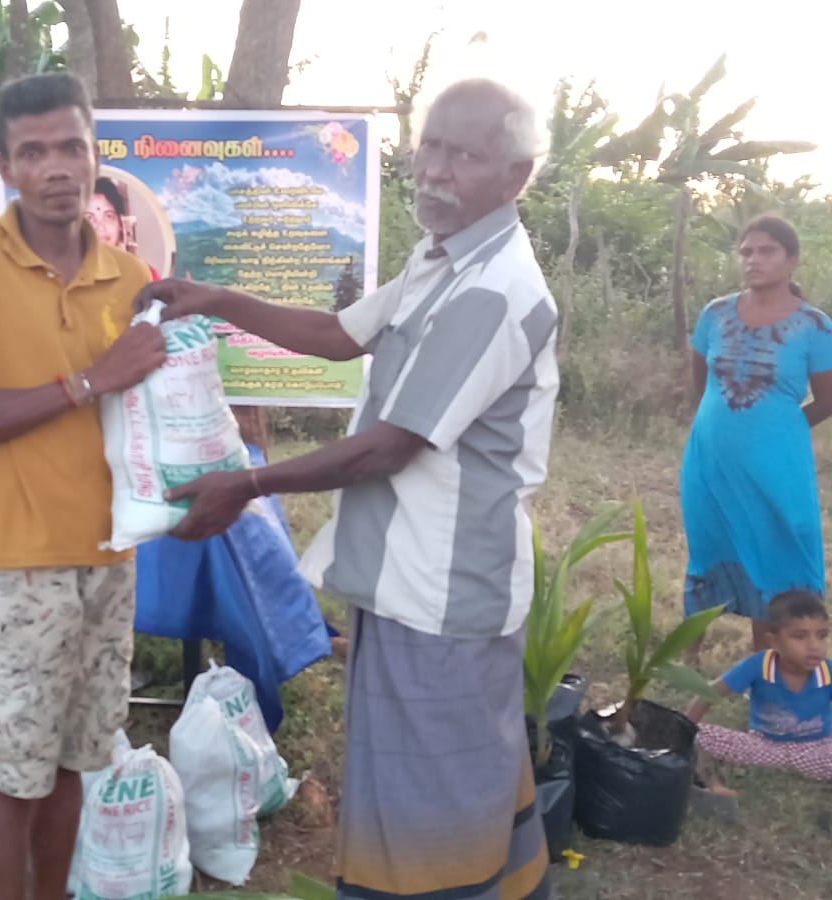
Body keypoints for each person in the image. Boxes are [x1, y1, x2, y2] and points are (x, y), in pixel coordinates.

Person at [135, 78, 556, 900]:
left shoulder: (493, 289)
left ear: (517, 175)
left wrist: (246, 484)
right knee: (444, 780)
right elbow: (338, 334)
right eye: (430, 146)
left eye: (465, 154)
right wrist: (215, 298)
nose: (435, 170)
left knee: (432, 803)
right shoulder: (443, 258)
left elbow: (389, 448)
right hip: (407, 576)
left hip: (442, 590)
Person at [0, 73, 167, 900]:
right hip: (22, 560)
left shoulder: (129, 277)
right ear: (5, 167)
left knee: (72, 764)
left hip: (110, 553)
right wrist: (88, 381)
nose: (56, 167)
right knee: (15, 776)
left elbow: (147, 417)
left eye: (71, 147)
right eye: (33, 152)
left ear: (95, 156)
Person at [680, 216, 832, 662]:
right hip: (709, 460)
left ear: (792, 260)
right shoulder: (715, 314)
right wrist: (725, 428)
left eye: (767, 251)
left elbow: (831, 401)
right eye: (746, 252)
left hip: (777, 466)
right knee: (708, 550)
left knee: (777, 550)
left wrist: (775, 433)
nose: (753, 260)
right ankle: (687, 658)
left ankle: (767, 662)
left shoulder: (816, 327)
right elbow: (702, 383)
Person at [688, 591, 832, 853]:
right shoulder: (758, 665)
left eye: (822, 635)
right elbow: (707, 694)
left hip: (816, 752)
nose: (814, 645)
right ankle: (713, 788)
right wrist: (682, 733)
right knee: (693, 733)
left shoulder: (830, 672)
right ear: (774, 641)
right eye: (799, 636)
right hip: (762, 747)